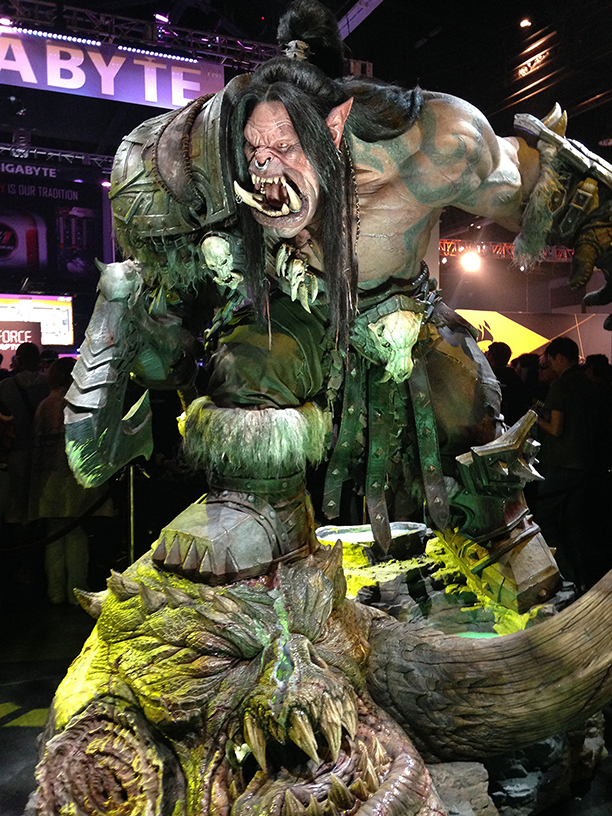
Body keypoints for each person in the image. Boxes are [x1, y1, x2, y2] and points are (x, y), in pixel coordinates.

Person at [66, 0, 612, 588]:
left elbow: (532, 181)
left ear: (333, 128)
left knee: (463, 404)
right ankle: (255, 510)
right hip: (293, 316)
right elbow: (168, 329)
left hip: (401, 315)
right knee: (252, 369)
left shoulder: (428, 146)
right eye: (254, 147)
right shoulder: (212, 159)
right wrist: (136, 319)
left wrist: (585, 207)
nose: (262, 166)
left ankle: (499, 533)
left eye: (284, 145)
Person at [29, 358, 112, 604]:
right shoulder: (80, 404)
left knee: (54, 535)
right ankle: (76, 591)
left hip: (48, 478)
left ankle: (55, 591)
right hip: (76, 478)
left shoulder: (44, 405)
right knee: (76, 533)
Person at [534, 337, 603, 589]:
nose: (550, 366)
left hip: (560, 464)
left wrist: (534, 417)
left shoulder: (561, 386)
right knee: (575, 524)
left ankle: (563, 575)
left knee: (545, 520)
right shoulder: (589, 384)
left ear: (560, 358)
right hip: (585, 463)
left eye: (550, 361)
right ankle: (581, 578)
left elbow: (555, 428)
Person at [0, 342, 49, 525]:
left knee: (15, 498)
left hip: (15, 451)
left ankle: (16, 534)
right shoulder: (49, 385)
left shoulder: (5, 386)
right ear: (38, 360)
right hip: (45, 451)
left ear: (18, 360)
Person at [485, 342, 530, 425]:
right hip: (510, 425)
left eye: (487, 353)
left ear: (491, 357)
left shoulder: (487, 377)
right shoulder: (516, 379)